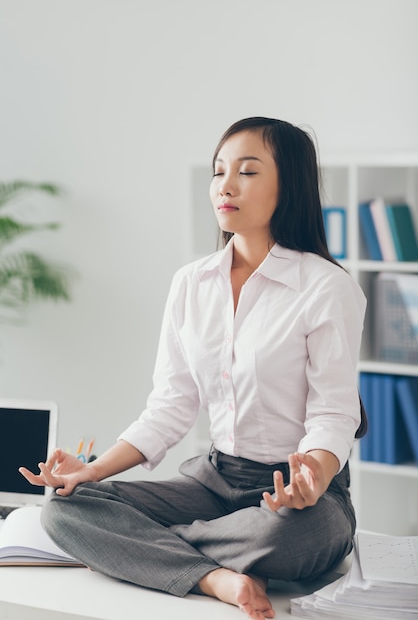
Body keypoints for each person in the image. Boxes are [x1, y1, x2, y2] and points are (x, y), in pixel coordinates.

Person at [20, 116, 367, 620]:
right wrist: (92, 471)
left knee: (300, 534)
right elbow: (170, 405)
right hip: (213, 482)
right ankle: (216, 577)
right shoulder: (191, 284)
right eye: (218, 171)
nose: (225, 186)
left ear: (287, 185)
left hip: (294, 497)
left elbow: (334, 415)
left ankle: (147, 551)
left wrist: (312, 475)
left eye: (247, 172)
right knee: (64, 508)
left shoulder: (326, 288)